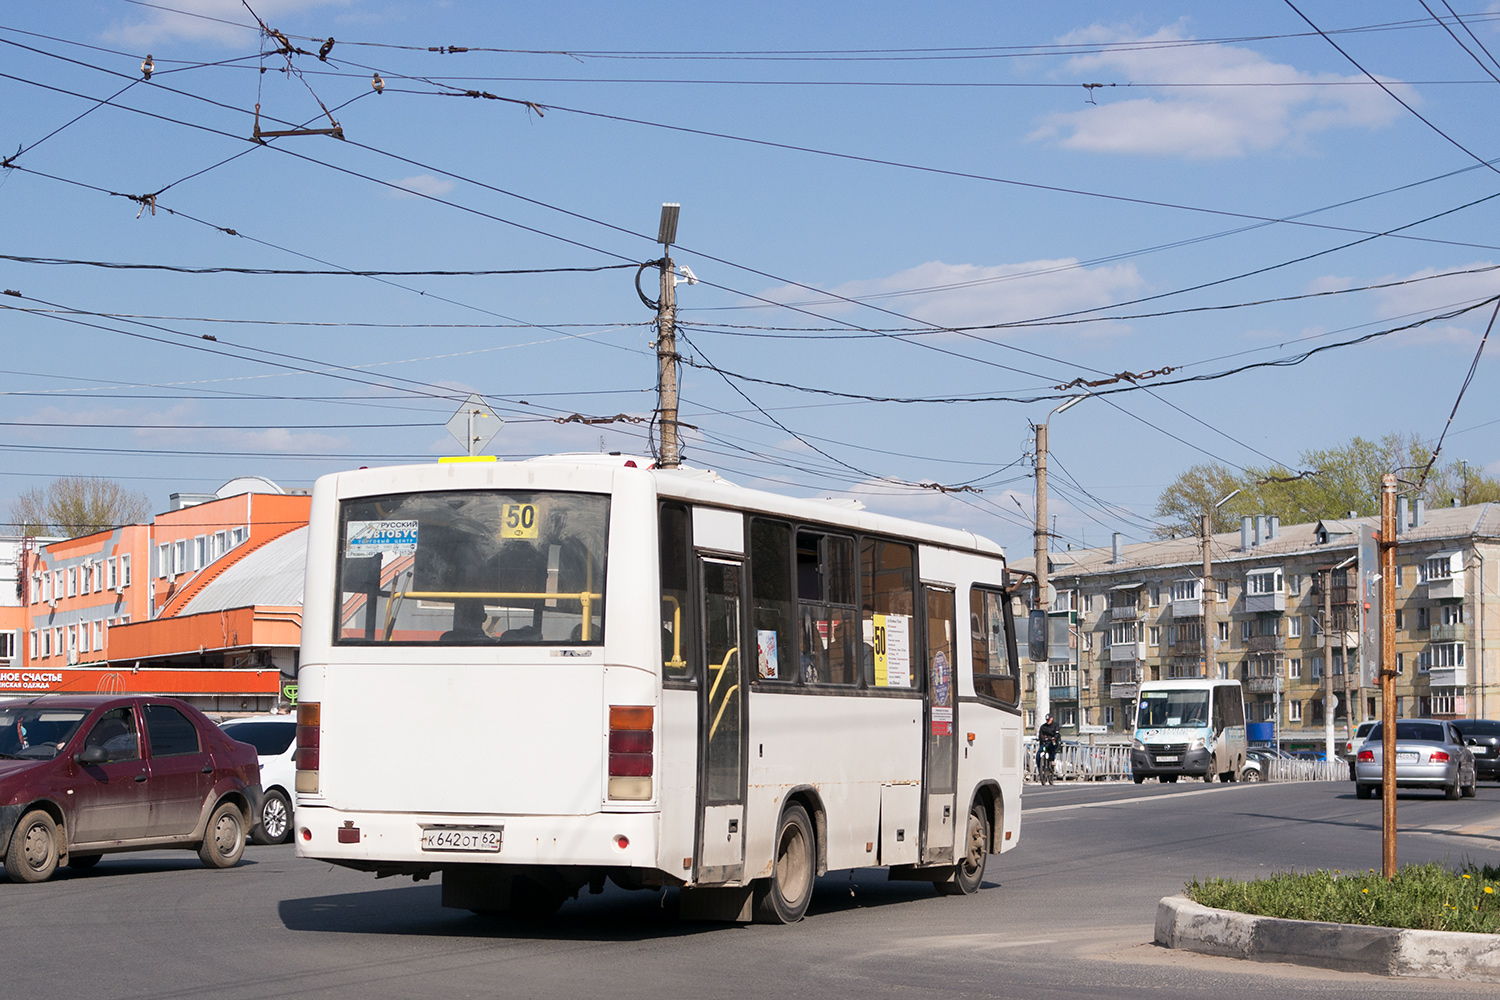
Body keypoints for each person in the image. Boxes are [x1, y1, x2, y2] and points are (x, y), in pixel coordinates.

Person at [1037, 713, 1061, 778]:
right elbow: (1040, 735)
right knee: (1038, 754)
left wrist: (1054, 738)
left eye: (1049, 720)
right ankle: (1040, 769)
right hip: (1045, 742)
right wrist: (1041, 737)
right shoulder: (1043, 726)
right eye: (1047, 720)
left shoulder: (1055, 726)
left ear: (1052, 719)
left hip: (1051, 742)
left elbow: (1057, 734)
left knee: (1052, 749)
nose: (1047, 721)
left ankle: (1051, 761)